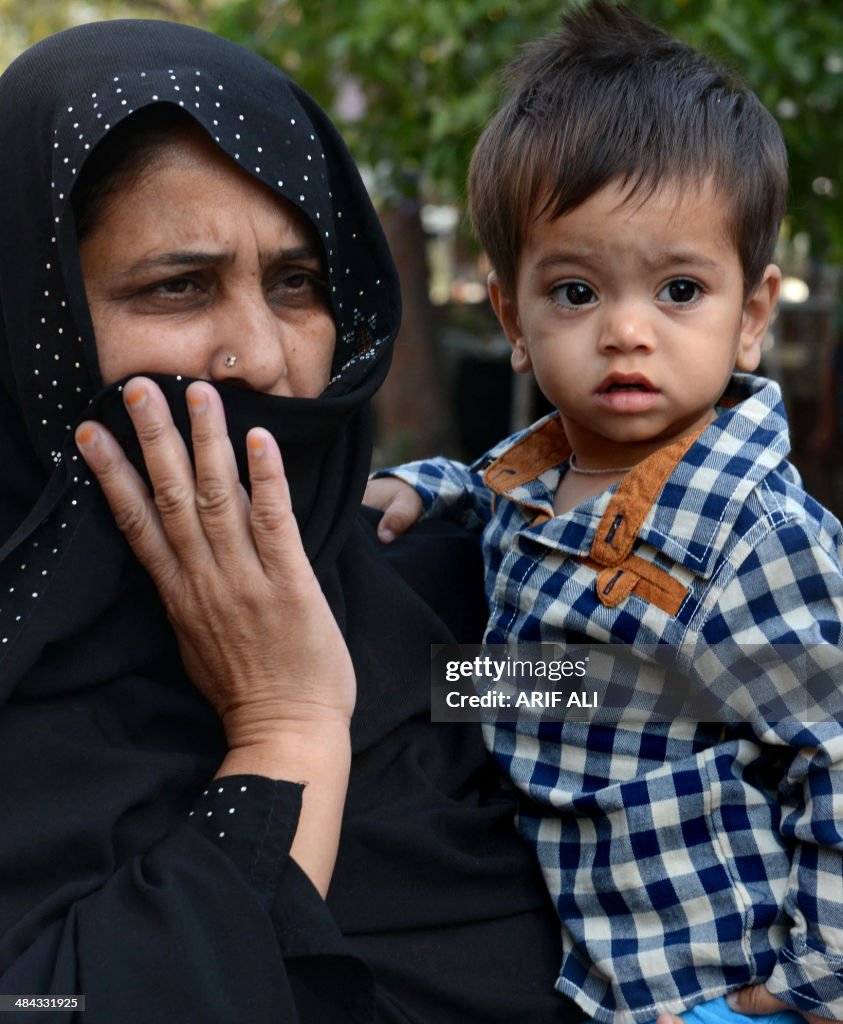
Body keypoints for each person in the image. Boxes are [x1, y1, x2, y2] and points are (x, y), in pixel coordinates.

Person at [0, 19, 584, 1023]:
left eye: (295, 284)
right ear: (33, 320)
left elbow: (719, 683)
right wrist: (286, 727)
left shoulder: (433, 591)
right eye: (177, 286)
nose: (263, 359)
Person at [364, 3, 843, 1023]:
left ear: (751, 316)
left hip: (716, 973)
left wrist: (814, 977)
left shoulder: (758, 534)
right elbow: (553, 652)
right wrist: (423, 487)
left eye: (679, 288)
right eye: (576, 292)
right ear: (514, 319)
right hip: (580, 947)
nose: (627, 331)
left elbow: (831, 753)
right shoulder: (533, 477)